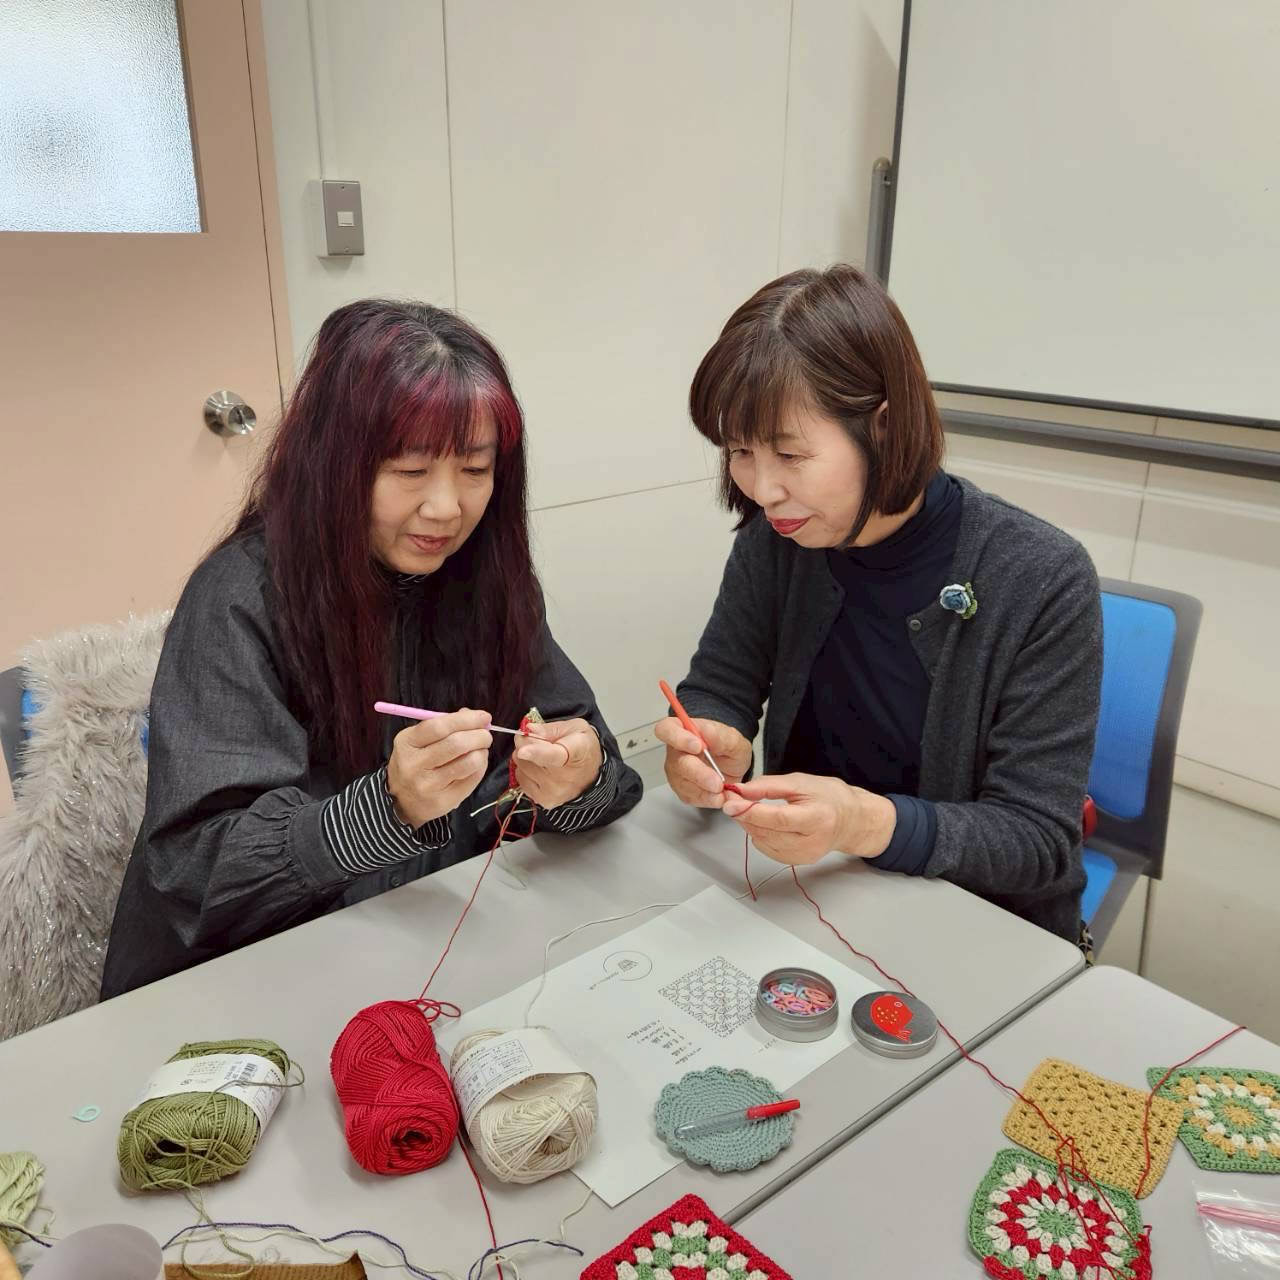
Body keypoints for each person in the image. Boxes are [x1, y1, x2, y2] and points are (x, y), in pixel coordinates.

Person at [102, 300, 641, 995]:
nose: (446, 508)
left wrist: (579, 782)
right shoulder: (240, 600)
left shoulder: (487, 580)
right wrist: (385, 809)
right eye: (410, 471)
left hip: (431, 947)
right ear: (333, 465)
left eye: (475, 470)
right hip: (255, 980)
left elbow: (601, 773)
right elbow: (195, 872)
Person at [656, 265, 1101, 946]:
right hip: (813, 896)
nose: (763, 489)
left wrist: (861, 823)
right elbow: (721, 682)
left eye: (790, 454)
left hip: (979, 928)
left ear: (885, 427)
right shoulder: (780, 538)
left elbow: (1037, 839)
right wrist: (710, 739)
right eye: (741, 451)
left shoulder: (1042, 576)